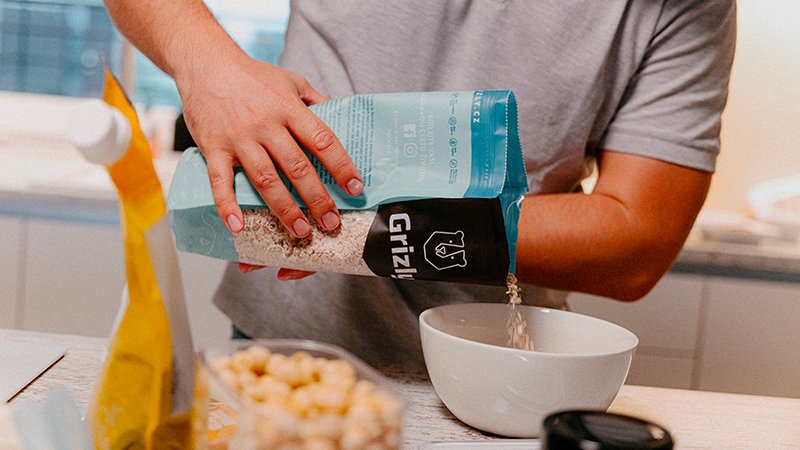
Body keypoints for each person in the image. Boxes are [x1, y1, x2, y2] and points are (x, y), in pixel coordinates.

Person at [104, 0, 736, 368]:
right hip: (293, 344)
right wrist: (212, 67)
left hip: (507, 361)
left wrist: (362, 229)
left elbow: (637, 241)